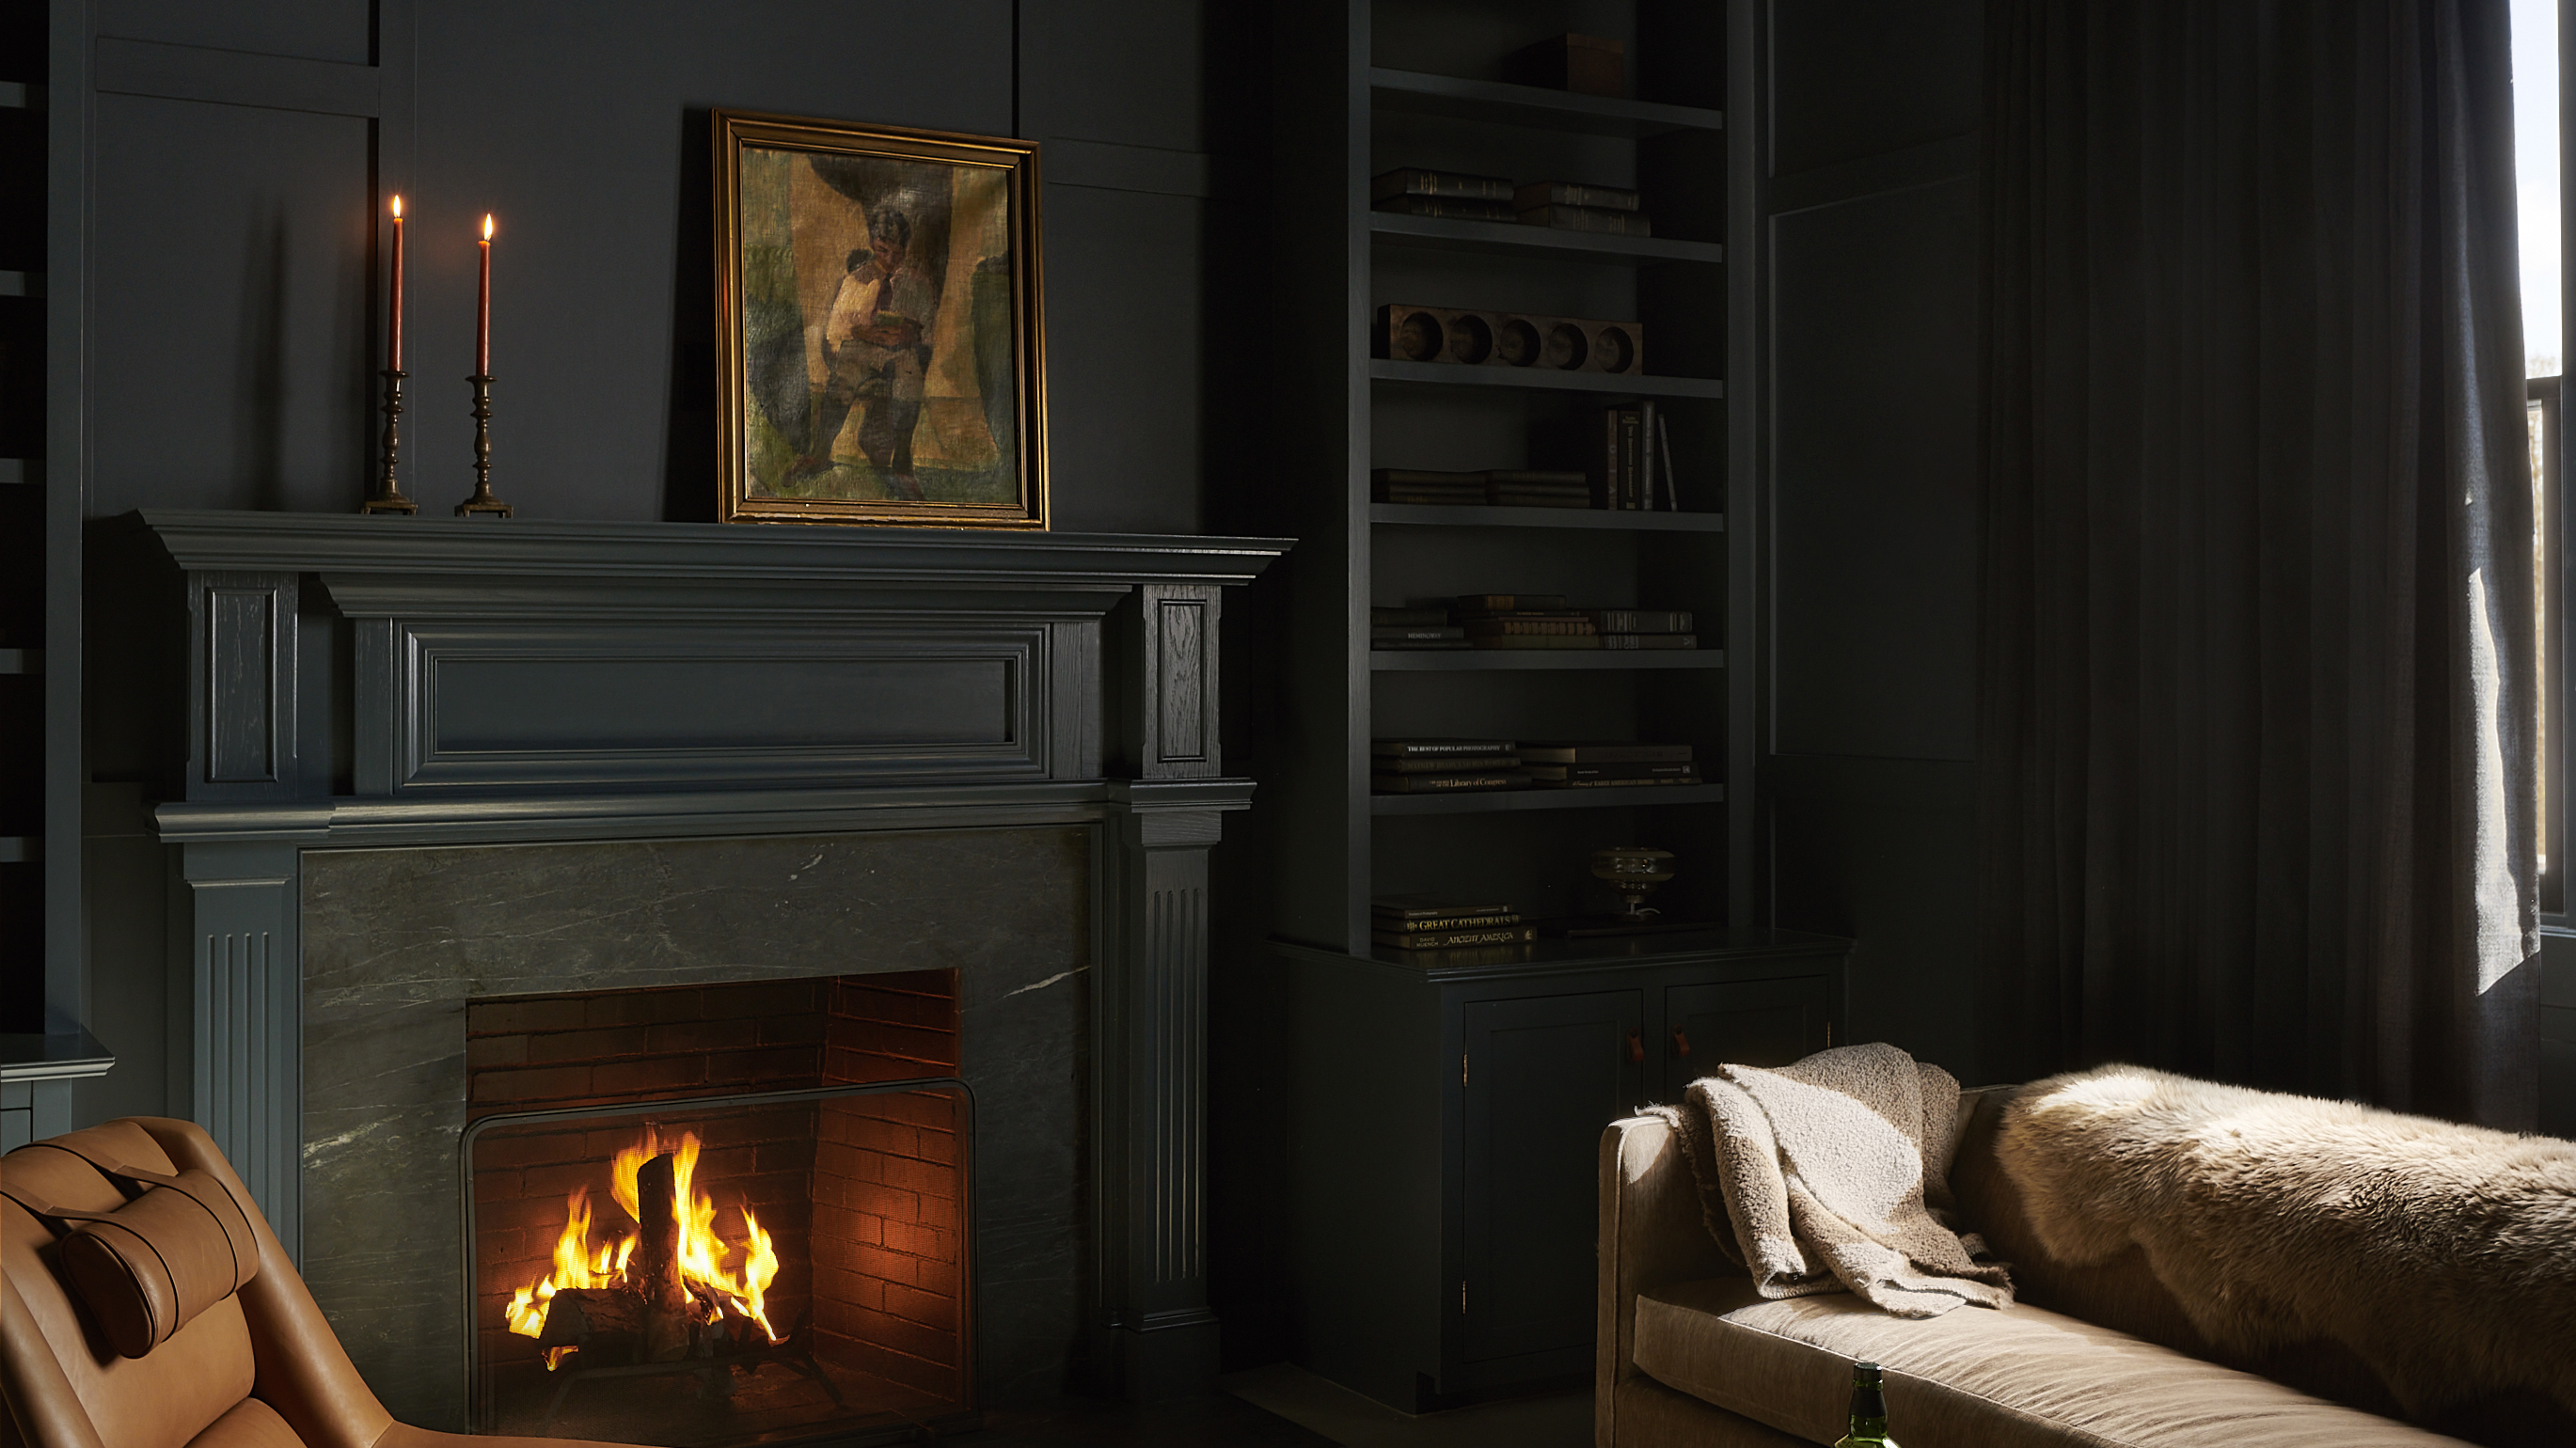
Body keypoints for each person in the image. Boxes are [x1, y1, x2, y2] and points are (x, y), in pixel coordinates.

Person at [797, 208, 938, 497]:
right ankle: (820, 454)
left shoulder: (917, 284)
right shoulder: (857, 279)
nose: (889, 260)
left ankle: (901, 461)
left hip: (900, 351)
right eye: (883, 251)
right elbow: (835, 330)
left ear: (904, 250)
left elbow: (928, 331)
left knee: (909, 375)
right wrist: (861, 332)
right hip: (860, 349)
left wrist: (910, 333)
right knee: (843, 378)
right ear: (874, 246)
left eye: (896, 254)